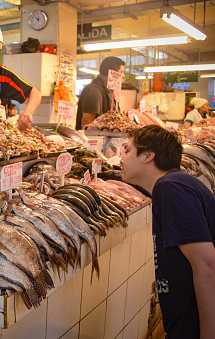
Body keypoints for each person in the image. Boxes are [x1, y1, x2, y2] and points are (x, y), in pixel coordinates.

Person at [120, 125, 215, 338]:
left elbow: (207, 263)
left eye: (127, 151)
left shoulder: (170, 187)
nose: (121, 159)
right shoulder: (175, 184)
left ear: (148, 156)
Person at [75, 56, 125, 130]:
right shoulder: (93, 91)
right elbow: (86, 124)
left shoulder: (111, 91)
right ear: (112, 73)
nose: (123, 76)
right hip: (94, 140)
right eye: (121, 72)